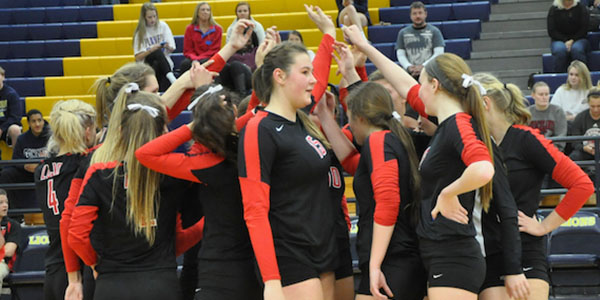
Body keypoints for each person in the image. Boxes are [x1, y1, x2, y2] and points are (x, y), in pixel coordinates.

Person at [344, 24, 496, 299]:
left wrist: (450, 193)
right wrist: (365, 47)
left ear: (434, 86)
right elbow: (403, 82)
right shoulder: (448, 124)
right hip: (439, 253)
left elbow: (484, 168)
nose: (413, 92)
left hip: (453, 254)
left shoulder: (458, 124)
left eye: (421, 83)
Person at [68, 88, 201, 300]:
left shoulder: (99, 174)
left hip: (112, 286)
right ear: (163, 134)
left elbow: (76, 235)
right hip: (161, 285)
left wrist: (96, 263)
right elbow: (178, 243)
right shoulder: (173, 178)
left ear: (120, 132)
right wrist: (206, 225)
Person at [136, 84, 262, 300]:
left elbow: (145, 154)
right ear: (233, 112)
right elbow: (253, 113)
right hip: (256, 259)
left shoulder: (205, 165)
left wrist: (195, 126)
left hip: (219, 266)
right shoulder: (246, 142)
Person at [475, 73, 594, 300]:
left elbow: (582, 185)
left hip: (525, 246)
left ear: (485, 103)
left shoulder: (527, 139)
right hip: (488, 250)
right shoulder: (477, 144)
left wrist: (544, 226)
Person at [238, 41, 338, 300]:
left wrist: (328, 35)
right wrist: (272, 280)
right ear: (279, 76)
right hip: (290, 256)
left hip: (322, 250)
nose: (312, 80)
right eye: (305, 72)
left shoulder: (301, 121)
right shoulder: (259, 129)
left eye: (312, 72)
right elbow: (255, 210)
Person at [315, 81, 427, 300]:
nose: (350, 128)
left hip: (392, 261)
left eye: (349, 121)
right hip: (399, 259)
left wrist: (375, 265)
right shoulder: (392, 139)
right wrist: (325, 115)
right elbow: (351, 162)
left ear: (361, 119)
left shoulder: (379, 140)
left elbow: (388, 201)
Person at [34, 100, 97, 300]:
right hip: (78, 272)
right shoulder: (85, 163)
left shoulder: (40, 169)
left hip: (53, 268)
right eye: (96, 129)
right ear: (87, 132)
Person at [0, 109, 49, 209]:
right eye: (34, 121)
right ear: (28, 123)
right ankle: (14, 214)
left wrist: (40, 166)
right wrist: (25, 166)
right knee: (6, 174)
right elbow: (16, 159)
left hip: (47, 171)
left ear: (43, 121)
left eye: (39, 120)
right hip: (27, 172)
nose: (37, 124)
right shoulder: (22, 139)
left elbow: (57, 156)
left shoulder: (51, 137)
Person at [133, 2, 177, 92]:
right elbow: (137, 57)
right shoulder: (140, 32)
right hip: (146, 64)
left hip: (162, 64)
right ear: (144, 17)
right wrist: (151, 50)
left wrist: (166, 46)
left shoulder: (163, 26)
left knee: (158, 63)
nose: (153, 19)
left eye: (154, 16)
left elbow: (172, 48)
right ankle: (170, 76)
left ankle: (166, 77)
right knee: (156, 52)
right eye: (150, 17)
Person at [395, 1, 445, 78]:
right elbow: (400, 54)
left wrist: (423, 66)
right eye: (414, 13)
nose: (417, 16)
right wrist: (408, 67)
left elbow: (439, 53)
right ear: (410, 16)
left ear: (425, 14)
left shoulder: (435, 31)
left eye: (420, 13)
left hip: (430, 73)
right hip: (409, 74)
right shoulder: (403, 33)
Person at [547, 0, 590, 72]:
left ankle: (583, 76)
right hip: (559, 40)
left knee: (577, 49)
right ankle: (559, 78)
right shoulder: (554, 9)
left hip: (579, 38)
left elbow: (584, 29)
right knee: (560, 50)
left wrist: (572, 40)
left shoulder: (581, 8)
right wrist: (565, 40)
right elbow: (551, 31)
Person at [180, 2, 223, 74]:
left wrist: (198, 60)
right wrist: (195, 59)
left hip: (210, 58)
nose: (205, 12)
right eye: (203, 10)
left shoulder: (218, 29)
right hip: (193, 59)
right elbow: (188, 50)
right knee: (185, 64)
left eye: (208, 10)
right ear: (197, 13)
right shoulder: (189, 29)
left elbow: (214, 50)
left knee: (207, 63)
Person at [528, 81, 568, 151]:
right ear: (533, 95)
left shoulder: (558, 111)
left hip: (553, 152)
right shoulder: (527, 113)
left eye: (546, 94)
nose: (544, 97)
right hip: (531, 151)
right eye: (541, 94)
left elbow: (561, 137)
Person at [568, 88, 600, 164]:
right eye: (593, 106)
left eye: (599, 106)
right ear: (588, 103)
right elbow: (575, 141)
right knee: (574, 157)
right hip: (584, 151)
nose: (596, 109)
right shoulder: (580, 118)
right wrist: (584, 148)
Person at [0, 189, 21, 290]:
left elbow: (8, 251)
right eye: (1, 203)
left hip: (3, 263)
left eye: (6, 202)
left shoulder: (13, 225)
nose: (5, 206)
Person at [0, 66, 22, 149]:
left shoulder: (11, 94)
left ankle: (18, 160)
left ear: (3, 76)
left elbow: (15, 117)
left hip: (7, 127)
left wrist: (2, 129)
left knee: (15, 129)